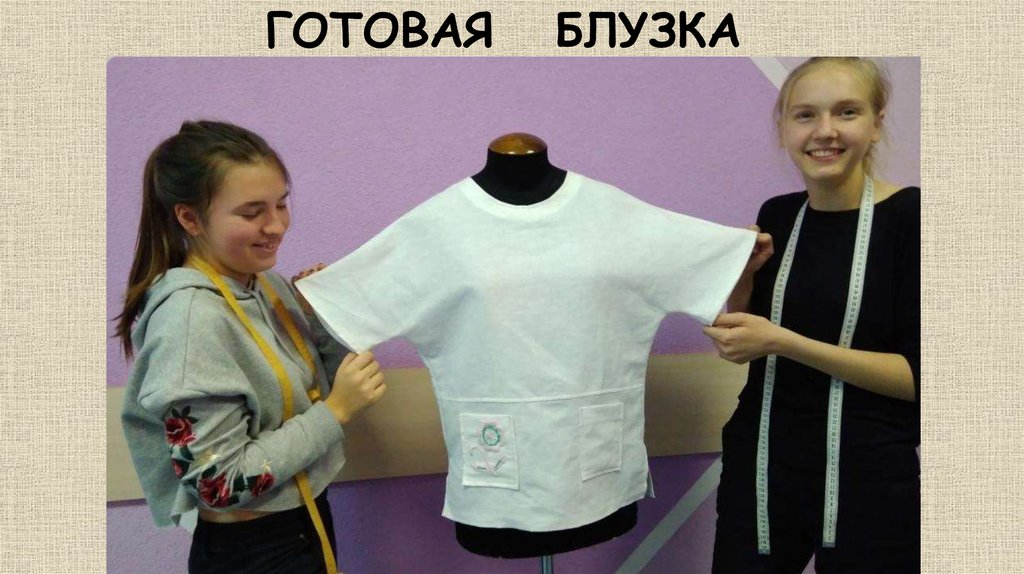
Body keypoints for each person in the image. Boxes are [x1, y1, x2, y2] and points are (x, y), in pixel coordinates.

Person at [117, 120, 386, 574]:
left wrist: (319, 318)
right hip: (253, 550)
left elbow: (319, 386)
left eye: (281, 204)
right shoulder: (190, 320)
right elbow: (218, 482)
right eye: (251, 212)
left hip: (306, 520)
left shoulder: (268, 286)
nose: (276, 225)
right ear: (190, 218)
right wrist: (335, 412)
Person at [704, 58, 920, 573]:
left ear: (876, 123)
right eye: (805, 115)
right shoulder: (778, 214)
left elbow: (918, 378)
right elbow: (748, 346)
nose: (825, 131)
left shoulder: (911, 218)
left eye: (846, 112)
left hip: (871, 476)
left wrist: (784, 341)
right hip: (763, 466)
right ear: (783, 128)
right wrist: (742, 279)